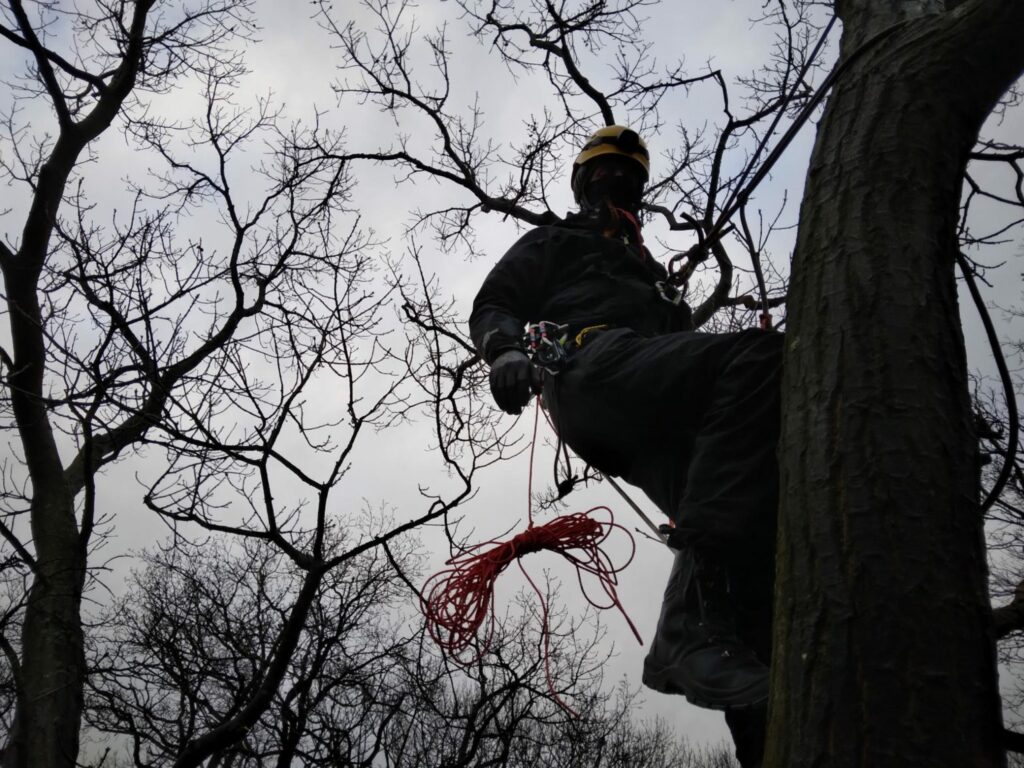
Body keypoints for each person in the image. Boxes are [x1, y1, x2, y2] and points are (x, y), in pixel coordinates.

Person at [468, 125, 782, 768]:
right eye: (605, 173)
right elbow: (496, 301)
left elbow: (689, 365)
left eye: (628, 176)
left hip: (649, 418)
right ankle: (686, 627)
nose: (618, 183)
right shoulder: (557, 240)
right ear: (584, 184)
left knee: (757, 534)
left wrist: (670, 306)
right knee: (761, 359)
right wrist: (504, 350)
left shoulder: (651, 279)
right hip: (593, 369)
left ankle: (762, 710)